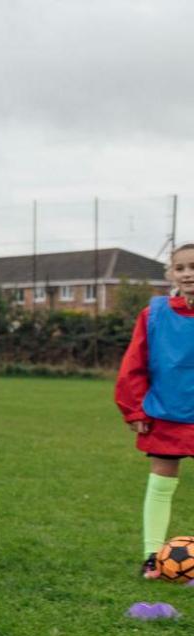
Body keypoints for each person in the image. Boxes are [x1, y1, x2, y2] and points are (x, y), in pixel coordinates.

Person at [115, 243, 194, 578]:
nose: (188, 273)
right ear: (170, 274)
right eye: (181, 268)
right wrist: (135, 410)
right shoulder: (154, 314)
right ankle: (153, 558)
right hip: (166, 412)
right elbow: (134, 364)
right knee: (161, 484)